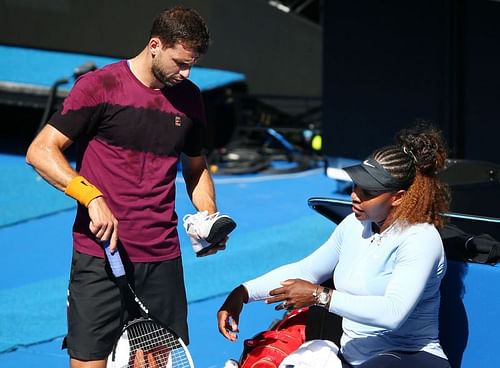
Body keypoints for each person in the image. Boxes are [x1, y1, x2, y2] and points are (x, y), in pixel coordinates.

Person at [26, 6, 235, 368]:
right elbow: (40, 151)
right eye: (180, 62)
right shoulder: (99, 86)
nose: (186, 73)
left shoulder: (190, 97)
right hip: (99, 256)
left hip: (161, 258)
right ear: (155, 45)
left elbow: (196, 168)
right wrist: (90, 197)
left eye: (192, 65)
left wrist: (208, 217)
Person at [217, 123, 451, 368]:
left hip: (412, 357)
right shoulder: (352, 225)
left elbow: (393, 313)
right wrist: (242, 293)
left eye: (369, 191)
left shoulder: (420, 239)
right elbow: (306, 270)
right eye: (355, 185)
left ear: (398, 197)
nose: (355, 196)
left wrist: (320, 296)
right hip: (353, 358)